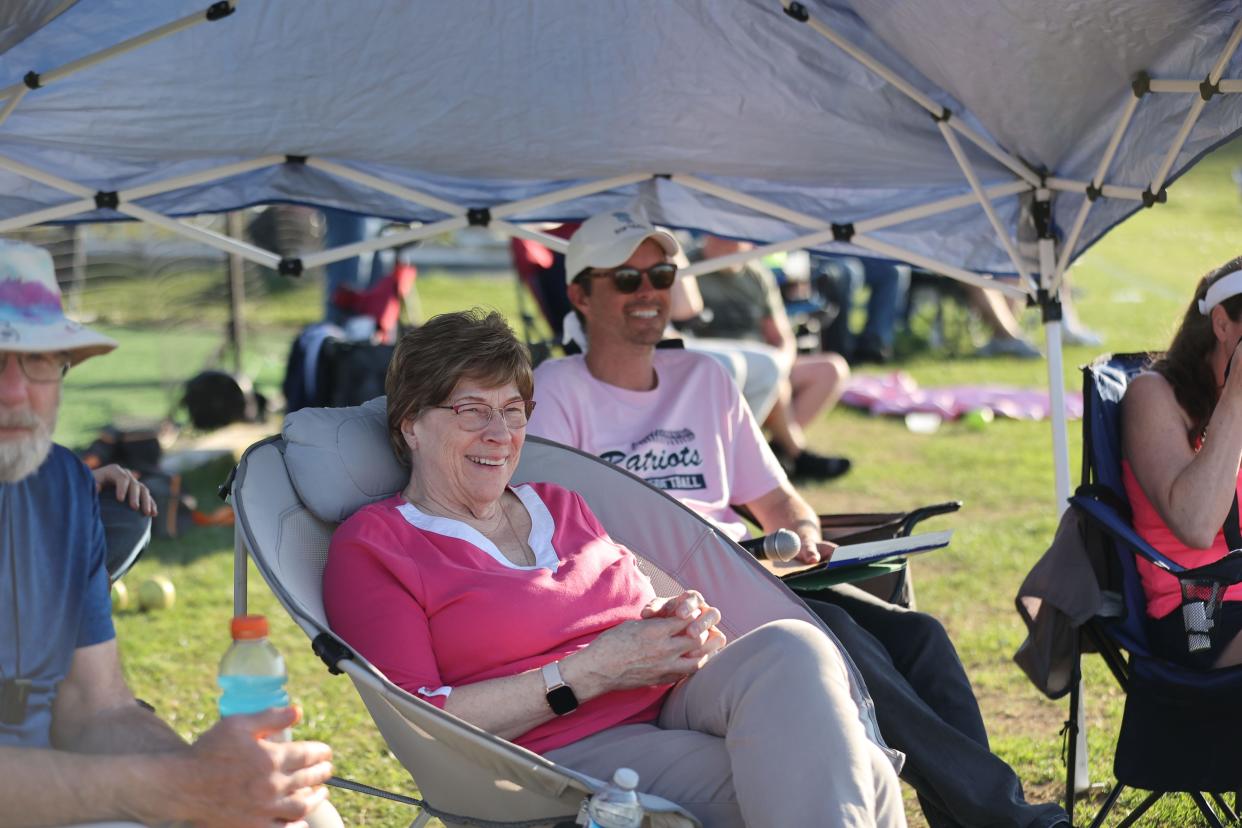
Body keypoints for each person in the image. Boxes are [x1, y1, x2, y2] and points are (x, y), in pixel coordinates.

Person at [530, 211, 1070, 828]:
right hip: (667, 602)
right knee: (846, 637)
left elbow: (779, 500)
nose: (649, 292)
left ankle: (976, 818)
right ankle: (1011, 819)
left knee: (922, 639)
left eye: (661, 274)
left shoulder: (704, 376)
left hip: (756, 571)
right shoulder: (556, 391)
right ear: (580, 293)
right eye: (627, 279)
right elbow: (565, 543)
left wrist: (806, 536)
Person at [323, 308, 905, 828]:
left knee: (792, 646)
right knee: (854, 774)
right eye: (471, 411)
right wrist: (592, 671)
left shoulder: (556, 502)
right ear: (410, 424)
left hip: (674, 698)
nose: (499, 435)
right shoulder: (378, 547)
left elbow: (643, 595)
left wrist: (676, 618)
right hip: (556, 749)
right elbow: (420, 720)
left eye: (513, 411)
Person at [0, 240, 336, 828]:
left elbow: (94, 707)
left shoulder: (59, 488)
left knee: (305, 819)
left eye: (38, 360)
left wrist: (220, 778)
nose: (13, 391)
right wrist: (177, 786)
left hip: (57, 789)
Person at [1123, 256, 1242, 669]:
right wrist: (1236, 397)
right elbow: (1196, 524)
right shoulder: (1154, 396)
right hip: (1197, 614)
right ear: (1223, 324)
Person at [692, 235, 852, 480]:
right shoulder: (688, 270)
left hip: (761, 362)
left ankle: (775, 452)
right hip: (716, 366)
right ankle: (796, 454)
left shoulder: (756, 275)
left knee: (831, 369)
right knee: (769, 373)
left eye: (734, 237)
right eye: (719, 235)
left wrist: (782, 363)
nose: (727, 243)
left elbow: (782, 336)